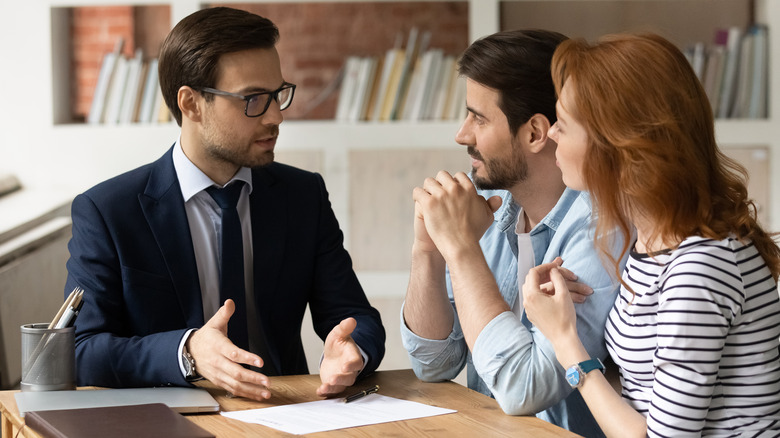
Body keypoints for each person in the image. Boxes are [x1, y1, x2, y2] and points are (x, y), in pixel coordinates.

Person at [65, 6, 385, 401]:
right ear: (191, 103)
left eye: (277, 95)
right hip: (168, 420)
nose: (275, 117)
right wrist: (187, 352)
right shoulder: (109, 211)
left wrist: (353, 351)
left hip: (287, 411)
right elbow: (81, 351)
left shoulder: (303, 196)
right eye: (252, 99)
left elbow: (355, 316)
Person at [523, 33, 780, 437]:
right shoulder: (651, 243)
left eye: (564, 124)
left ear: (621, 149)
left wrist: (564, 338)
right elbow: (643, 392)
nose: (551, 133)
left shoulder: (700, 266)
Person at [401, 29, 625, 436]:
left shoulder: (602, 231)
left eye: (478, 117)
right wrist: (428, 251)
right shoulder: (494, 211)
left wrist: (462, 250)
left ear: (536, 133)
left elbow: (525, 389)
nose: (461, 134)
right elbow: (434, 363)